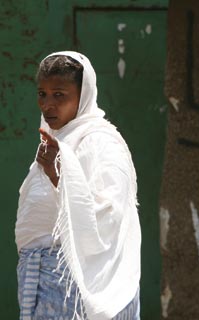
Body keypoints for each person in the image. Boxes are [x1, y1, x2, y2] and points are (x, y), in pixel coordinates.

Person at [15, 51, 141, 320]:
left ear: (82, 95)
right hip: (43, 281)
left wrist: (59, 175)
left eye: (59, 95)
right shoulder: (58, 140)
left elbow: (109, 215)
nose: (47, 105)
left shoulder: (101, 142)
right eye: (42, 94)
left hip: (76, 285)